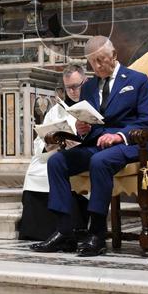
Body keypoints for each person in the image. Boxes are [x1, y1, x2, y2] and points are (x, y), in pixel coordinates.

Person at [30, 35, 148, 257]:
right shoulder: (89, 88)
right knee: (58, 161)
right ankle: (64, 231)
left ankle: (97, 233)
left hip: (132, 144)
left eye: (101, 60)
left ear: (114, 55)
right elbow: (93, 123)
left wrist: (118, 136)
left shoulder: (138, 81)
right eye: (92, 63)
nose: (96, 67)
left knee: (100, 161)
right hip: (97, 143)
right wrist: (83, 129)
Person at [19, 64, 88, 240]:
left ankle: (67, 229)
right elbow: (38, 141)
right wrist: (47, 143)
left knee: (56, 165)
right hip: (53, 151)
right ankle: (36, 231)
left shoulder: (90, 106)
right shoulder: (56, 110)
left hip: (77, 154)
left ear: (85, 81)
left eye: (76, 86)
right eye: (68, 88)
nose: (72, 91)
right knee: (35, 168)